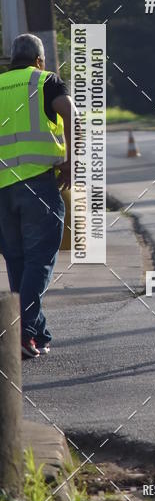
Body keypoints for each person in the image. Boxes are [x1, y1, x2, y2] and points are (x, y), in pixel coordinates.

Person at [0, 34, 72, 358]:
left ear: (11, 59)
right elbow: (69, 112)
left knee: (17, 261)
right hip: (37, 184)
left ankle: (37, 333)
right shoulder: (46, 81)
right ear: (39, 60)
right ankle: (23, 331)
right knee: (40, 260)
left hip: (2, 190)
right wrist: (72, 162)